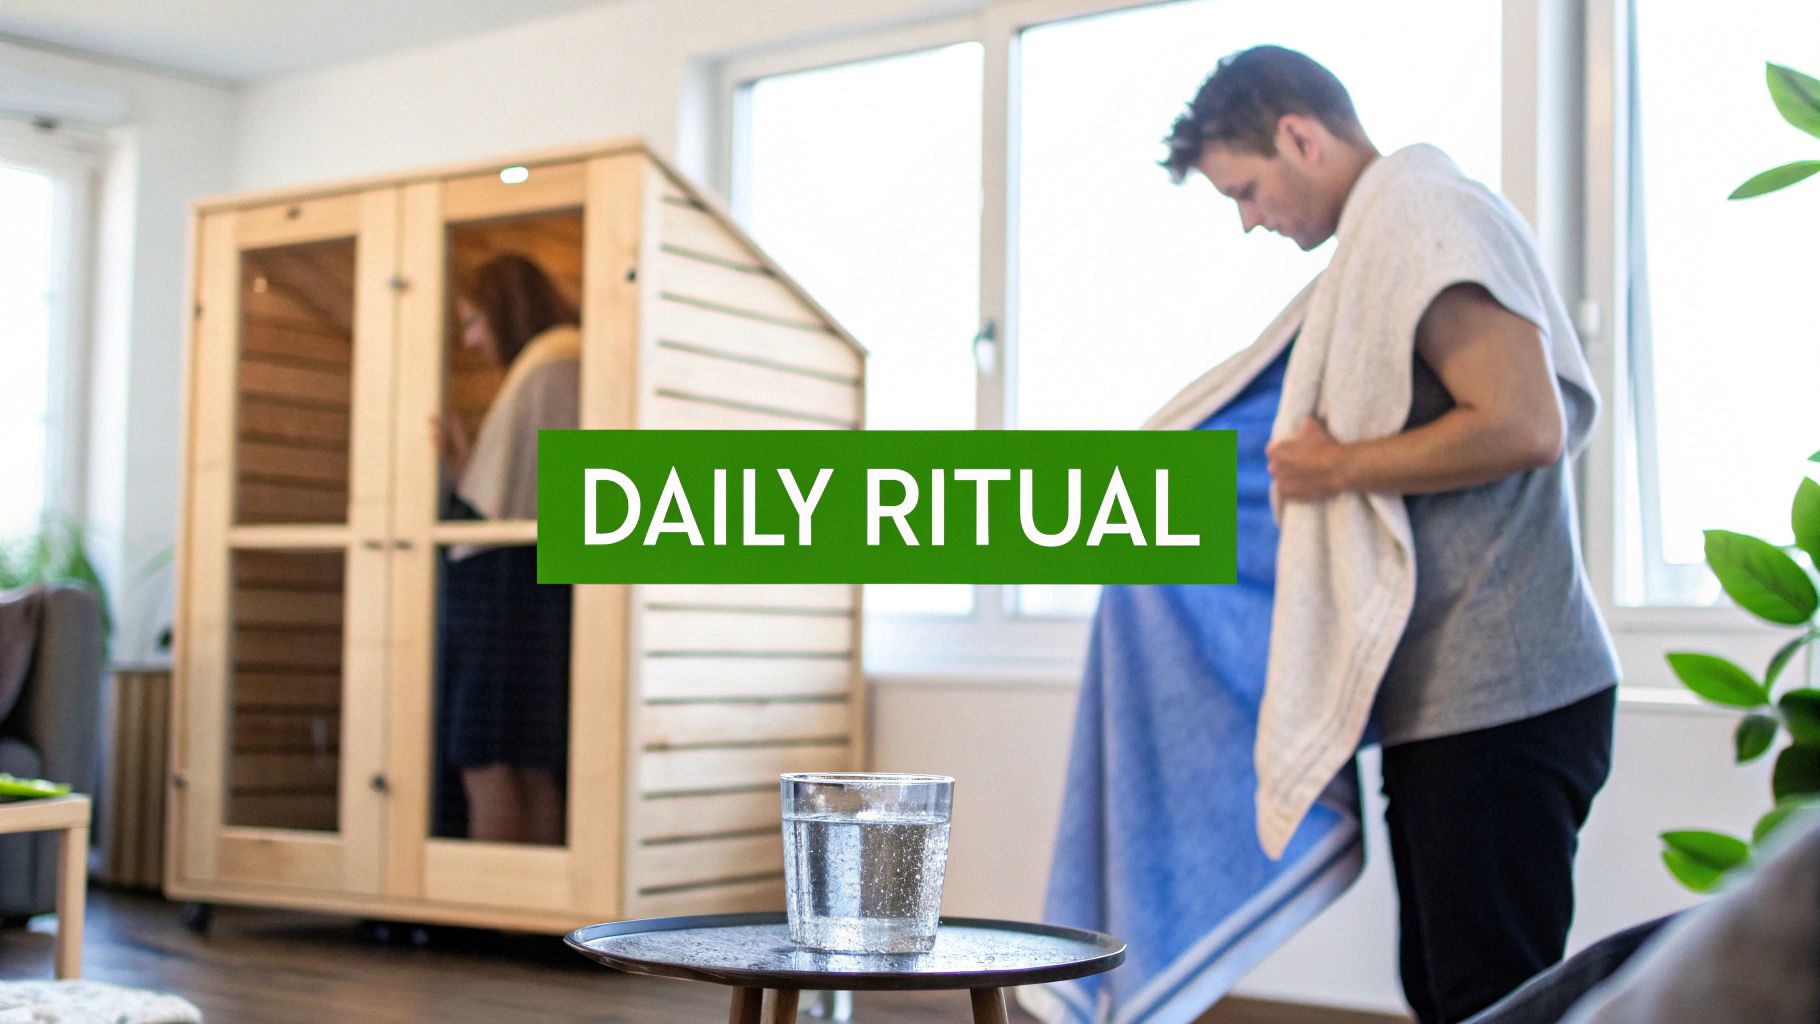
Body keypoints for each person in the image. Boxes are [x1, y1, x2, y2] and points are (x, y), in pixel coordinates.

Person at [1162, 47, 1620, 1024]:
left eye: (1244, 190)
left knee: (1488, 999)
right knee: (1447, 992)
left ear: (1299, 135)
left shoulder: (1421, 215)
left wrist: (1337, 467)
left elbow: (1522, 422)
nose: (1248, 219)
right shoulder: (1384, 239)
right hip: (1457, 704)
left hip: (1504, 696)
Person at [434, 252, 580, 845]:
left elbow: (495, 507)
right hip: (544, 582)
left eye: (472, 322)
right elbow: (530, 490)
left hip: (499, 586)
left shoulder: (546, 365)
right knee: (531, 759)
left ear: (504, 310)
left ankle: (490, 919)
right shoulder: (572, 357)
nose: (470, 341)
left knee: (484, 755)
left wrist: (458, 473)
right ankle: (535, 919)